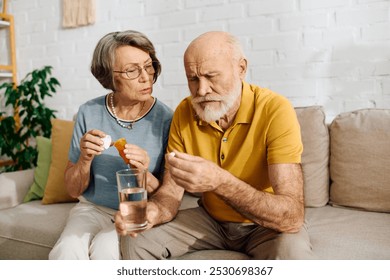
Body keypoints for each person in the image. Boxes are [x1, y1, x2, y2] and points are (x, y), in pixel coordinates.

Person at [115, 31, 315, 259]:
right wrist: (152, 212)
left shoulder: (275, 110)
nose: (201, 91)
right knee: (136, 241)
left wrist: (219, 181)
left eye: (211, 76)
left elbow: (292, 216)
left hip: (265, 225)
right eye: (193, 79)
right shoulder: (185, 111)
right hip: (211, 221)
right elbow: (171, 193)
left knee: (294, 255)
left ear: (241, 69)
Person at [49, 30, 173, 259]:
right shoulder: (89, 112)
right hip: (91, 209)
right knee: (66, 250)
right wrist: (85, 159)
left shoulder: (166, 119)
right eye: (132, 70)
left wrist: (144, 172)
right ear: (109, 77)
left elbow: (169, 197)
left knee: (106, 250)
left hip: (136, 209)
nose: (146, 76)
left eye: (149, 65)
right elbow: (74, 190)